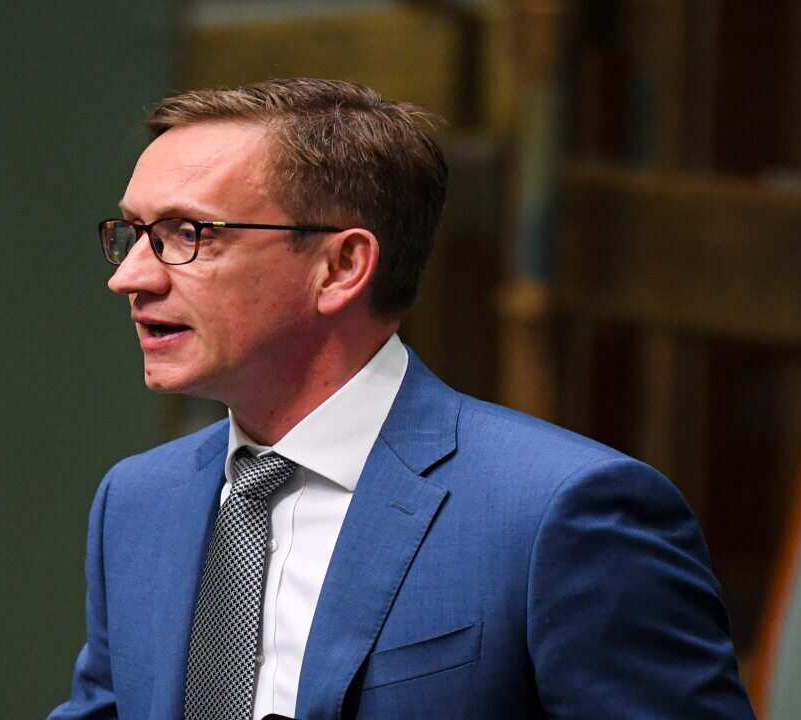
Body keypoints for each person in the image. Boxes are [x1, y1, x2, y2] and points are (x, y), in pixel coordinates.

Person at [49, 78, 755, 720]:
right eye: (133, 234)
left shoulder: (559, 514)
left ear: (341, 266)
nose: (132, 277)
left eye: (186, 234)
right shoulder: (140, 501)